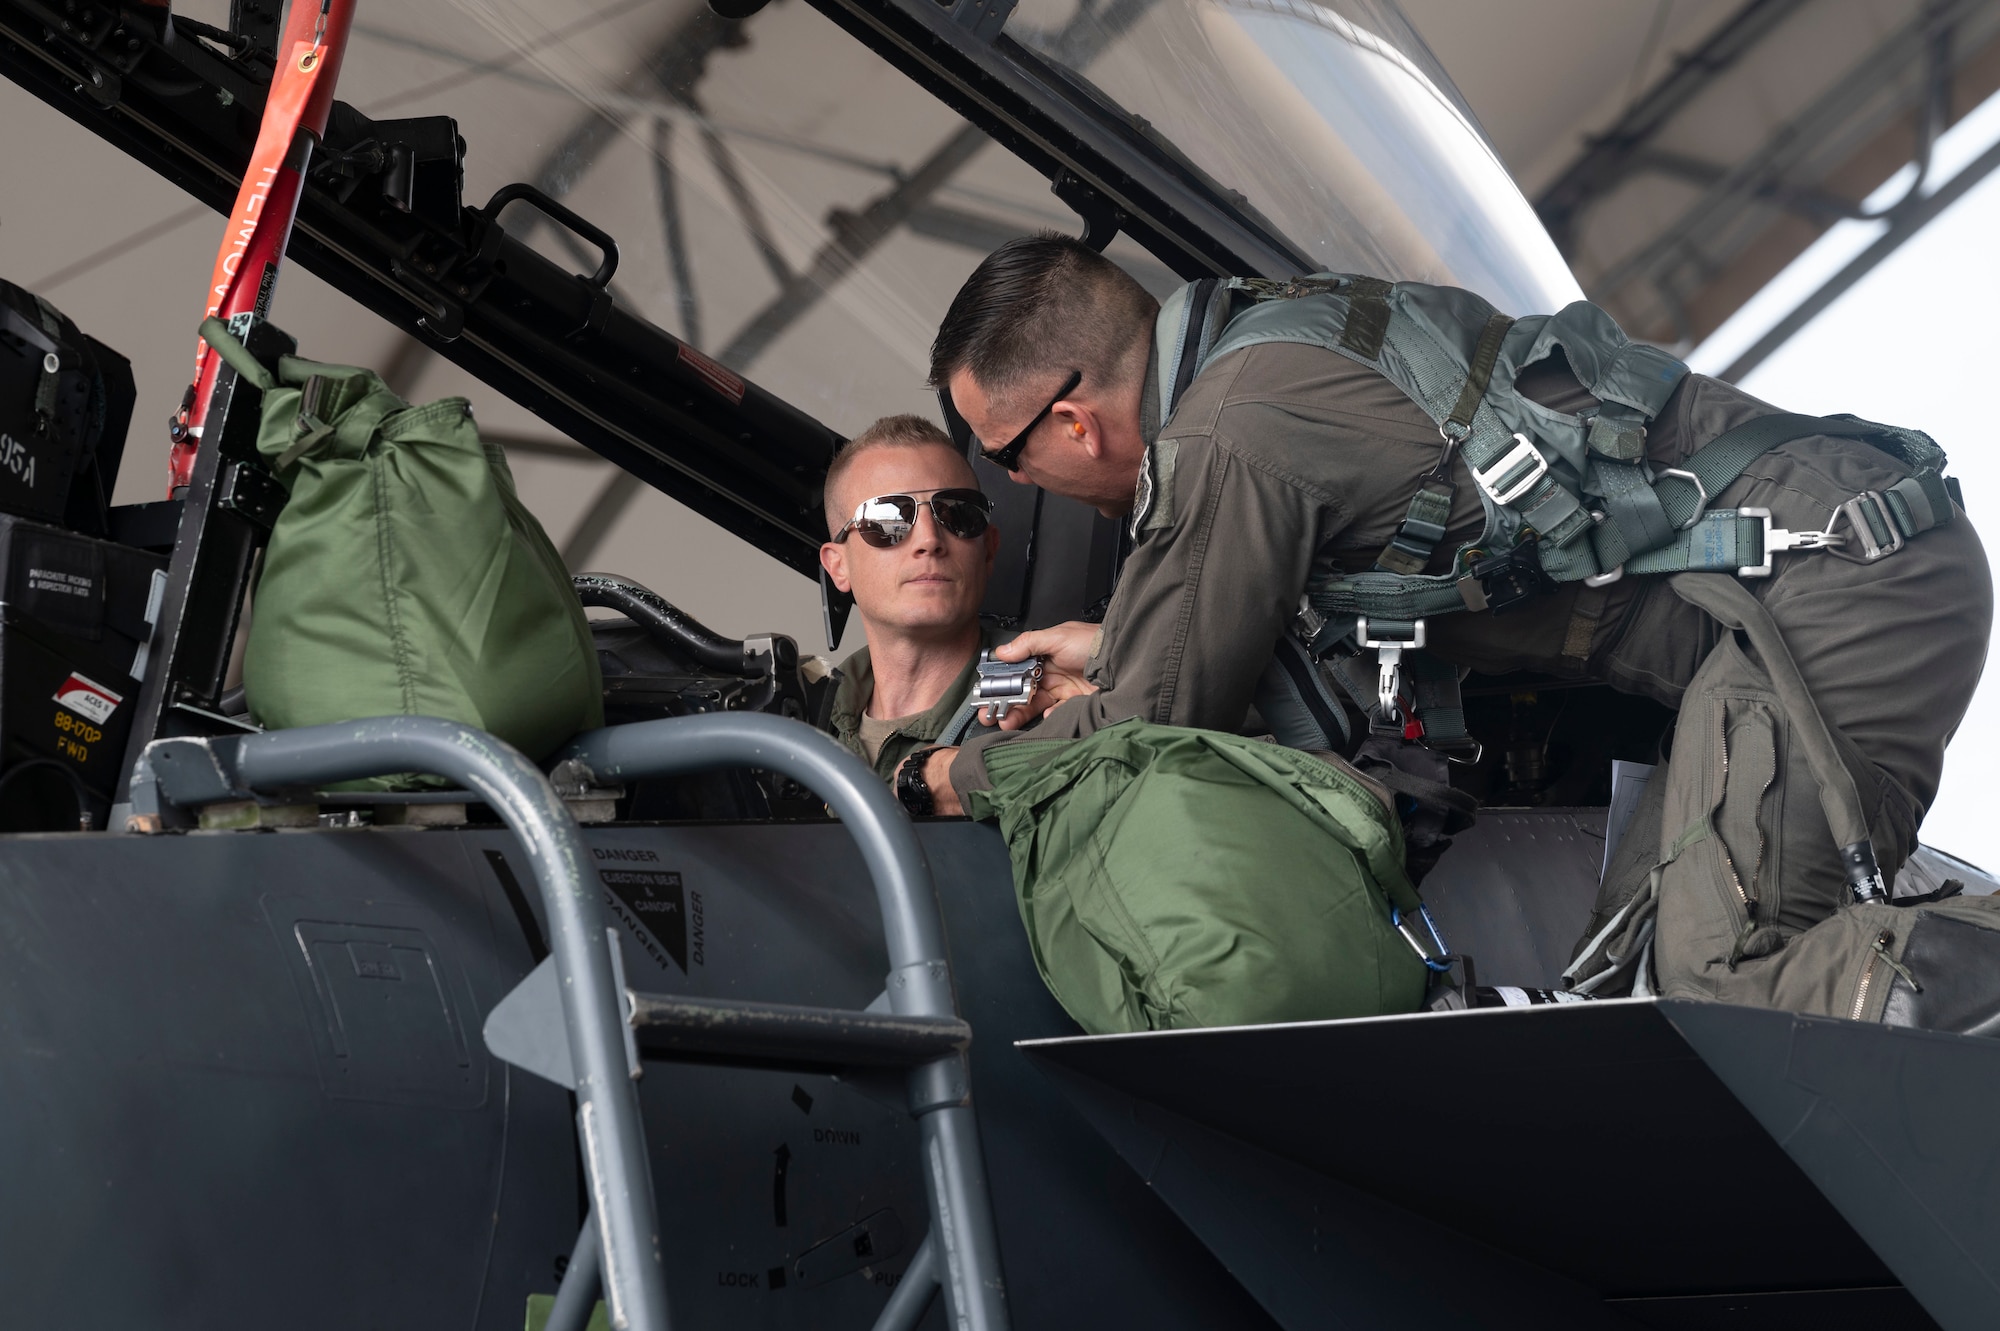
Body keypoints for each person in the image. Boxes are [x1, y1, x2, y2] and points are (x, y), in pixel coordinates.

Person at [892, 233, 1991, 1014]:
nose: (1015, 479)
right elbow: (1320, 616)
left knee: (1724, 983)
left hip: (1835, 583)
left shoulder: (1224, 436)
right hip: (1809, 592)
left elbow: (1143, 727)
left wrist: (950, 775)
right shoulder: (1274, 341)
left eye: (1002, 458)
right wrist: (1113, 648)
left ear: (1071, 422)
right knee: (1618, 992)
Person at [817, 414, 1006, 783]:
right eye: (888, 521)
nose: (929, 540)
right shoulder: (799, 726)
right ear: (838, 567)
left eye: (957, 512)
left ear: (988, 551)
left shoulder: (1052, 707)